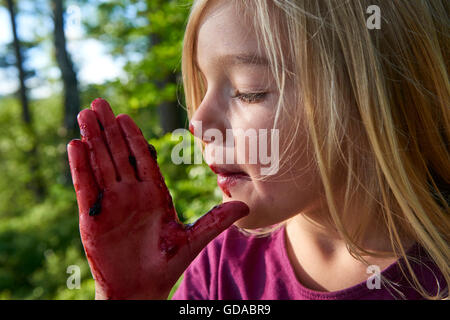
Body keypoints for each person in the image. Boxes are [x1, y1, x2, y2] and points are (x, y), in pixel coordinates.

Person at [67, 0, 449, 300]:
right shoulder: (221, 267)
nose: (197, 123)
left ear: (375, 98)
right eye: (202, 84)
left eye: (249, 90)